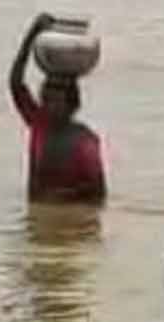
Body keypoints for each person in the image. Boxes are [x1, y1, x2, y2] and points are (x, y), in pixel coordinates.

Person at [8, 14, 108, 204]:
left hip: (68, 220)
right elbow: (16, 83)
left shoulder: (84, 142)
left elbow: (99, 193)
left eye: (55, 101)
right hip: (38, 217)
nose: (48, 104)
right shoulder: (39, 124)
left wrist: (62, 196)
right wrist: (31, 36)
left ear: (72, 105)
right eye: (46, 98)